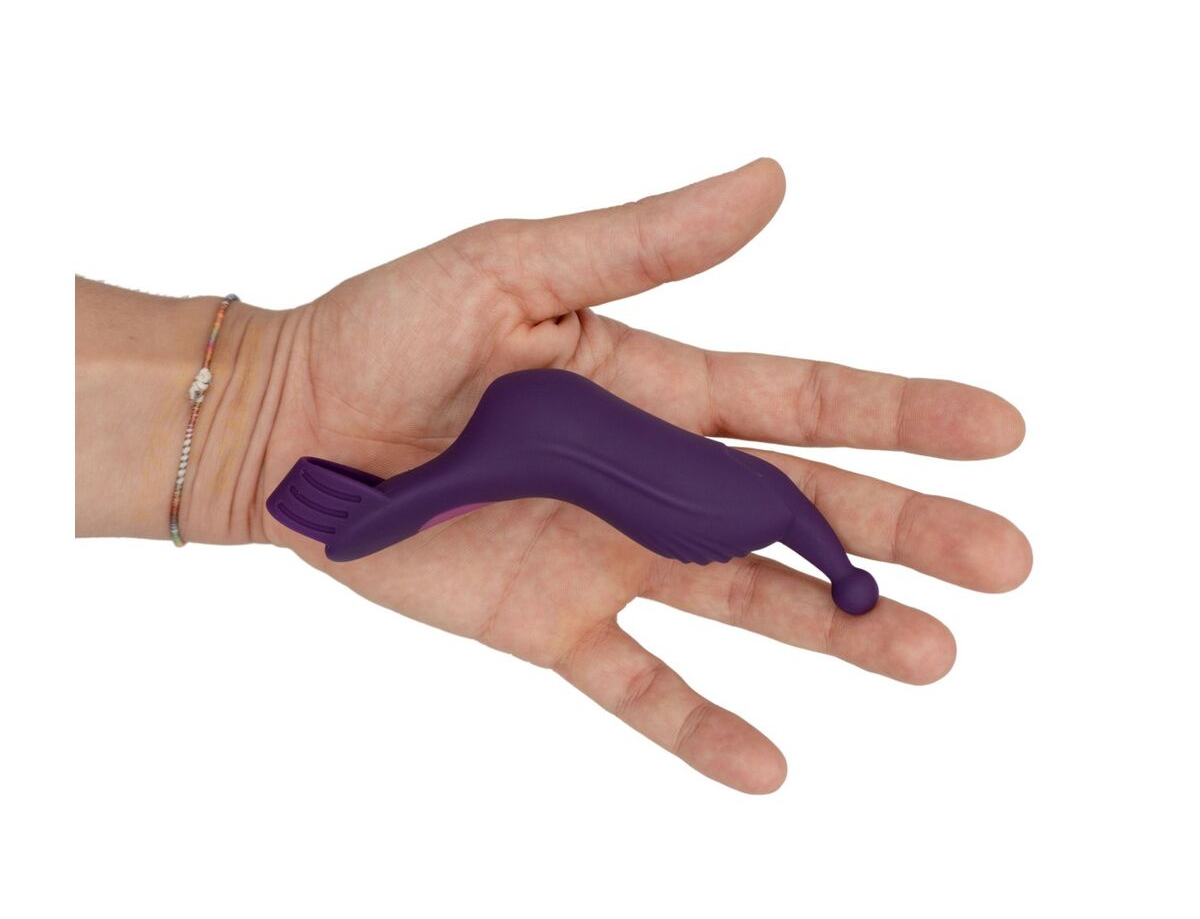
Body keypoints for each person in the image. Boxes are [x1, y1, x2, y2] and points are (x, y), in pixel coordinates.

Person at [75, 159, 1031, 793]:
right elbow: (792, 521)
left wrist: (247, 414)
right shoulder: (754, 503)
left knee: (456, 484)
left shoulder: (754, 503)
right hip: (539, 434)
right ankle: (389, 505)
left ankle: (388, 503)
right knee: (452, 486)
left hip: (542, 434)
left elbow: (792, 522)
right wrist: (842, 574)